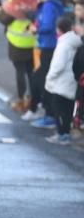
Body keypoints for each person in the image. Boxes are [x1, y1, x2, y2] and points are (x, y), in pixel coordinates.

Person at [0, 0, 37, 113]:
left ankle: (21, 99)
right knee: (32, 72)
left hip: (16, 41)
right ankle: (34, 100)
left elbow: (5, 19)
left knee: (20, 72)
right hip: (32, 40)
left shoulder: (12, 2)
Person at [44, 15, 82, 145]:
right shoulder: (75, 42)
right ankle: (66, 133)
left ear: (59, 30)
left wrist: (49, 77)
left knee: (58, 109)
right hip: (71, 81)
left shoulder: (63, 45)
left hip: (61, 83)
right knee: (68, 109)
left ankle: (62, 134)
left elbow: (57, 65)